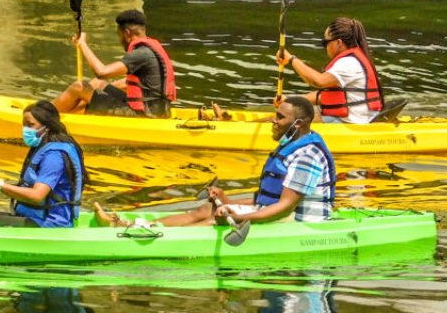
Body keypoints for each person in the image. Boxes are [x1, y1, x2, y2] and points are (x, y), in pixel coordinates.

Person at [95, 95, 335, 228]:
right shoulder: (289, 144)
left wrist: (239, 216)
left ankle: (144, 237)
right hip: (280, 212)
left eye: (280, 117)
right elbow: (268, 197)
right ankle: (135, 225)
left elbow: (284, 206)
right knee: (207, 207)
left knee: (215, 219)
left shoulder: (306, 155)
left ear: (299, 124)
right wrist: (227, 200)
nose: (273, 121)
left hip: (300, 223)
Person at [0, 101, 88, 228]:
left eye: (30, 124)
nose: (25, 129)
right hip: (31, 217)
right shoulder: (41, 147)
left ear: (47, 126)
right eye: (24, 124)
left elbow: (37, 195)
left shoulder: (54, 156)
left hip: (50, 224)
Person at [52, 9, 176, 118]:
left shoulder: (140, 54)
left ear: (127, 33)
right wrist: (99, 91)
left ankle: (41, 118)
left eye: (119, 35)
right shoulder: (152, 48)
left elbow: (101, 72)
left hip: (144, 115)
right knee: (96, 83)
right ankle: (71, 112)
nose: (119, 39)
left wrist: (82, 44)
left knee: (78, 87)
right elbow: (131, 84)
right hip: (159, 110)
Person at [276, 16, 384, 123]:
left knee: (286, 120)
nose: (325, 46)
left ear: (339, 43)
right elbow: (325, 96)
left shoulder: (349, 63)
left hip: (353, 123)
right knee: (286, 114)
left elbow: (317, 81)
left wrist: (291, 59)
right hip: (351, 118)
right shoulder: (350, 60)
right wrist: (289, 101)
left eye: (325, 42)